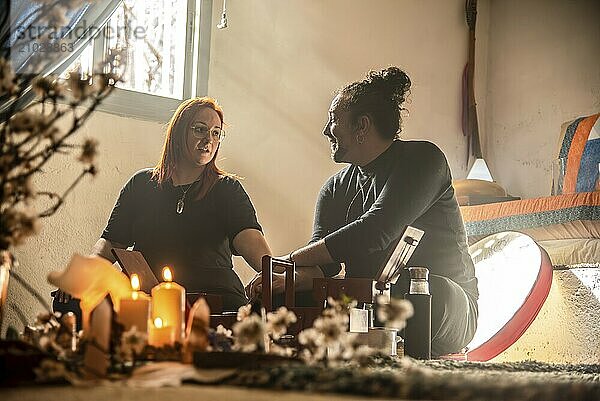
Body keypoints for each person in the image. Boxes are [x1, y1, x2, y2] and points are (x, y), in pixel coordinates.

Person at [248, 67, 478, 356]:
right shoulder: (334, 189)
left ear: (362, 126)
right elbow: (324, 264)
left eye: (333, 120)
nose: (324, 130)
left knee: (419, 292)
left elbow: (375, 231)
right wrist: (284, 279)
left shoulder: (423, 160)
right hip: (370, 302)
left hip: (446, 306)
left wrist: (288, 260)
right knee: (291, 296)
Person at [56, 96, 271, 312]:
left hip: (213, 297)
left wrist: (271, 275)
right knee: (71, 301)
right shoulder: (141, 185)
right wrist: (84, 272)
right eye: (200, 129)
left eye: (216, 132)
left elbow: (251, 240)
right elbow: (111, 242)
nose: (209, 139)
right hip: (149, 295)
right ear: (179, 132)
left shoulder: (226, 188)